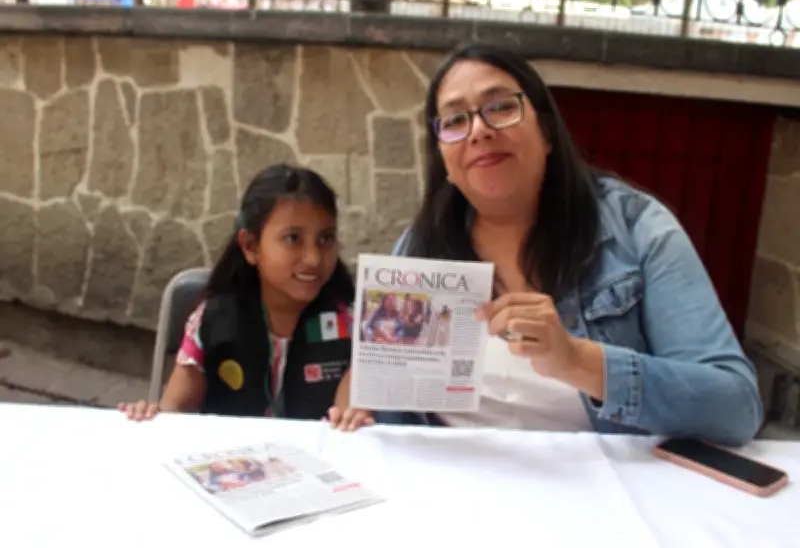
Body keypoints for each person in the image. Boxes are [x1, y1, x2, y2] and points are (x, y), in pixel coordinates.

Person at [377, 41, 763, 447]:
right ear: (443, 160)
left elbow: (735, 407)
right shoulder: (419, 249)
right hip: (454, 484)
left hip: (607, 492)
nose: (479, 130)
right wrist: (363, 403)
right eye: (455, 119)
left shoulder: (636, 228)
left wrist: (576, 360)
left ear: (546, 132)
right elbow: (396, 415)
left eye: (502, 107)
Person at [119, 164, 373, 432]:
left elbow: (347, 420)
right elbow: (174, 412)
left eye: (325, 239)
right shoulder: (211, 320)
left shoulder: (355, 324)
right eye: (293, 239)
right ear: (251, 246)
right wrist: (152, 414)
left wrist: (352, 417)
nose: (313, 258)